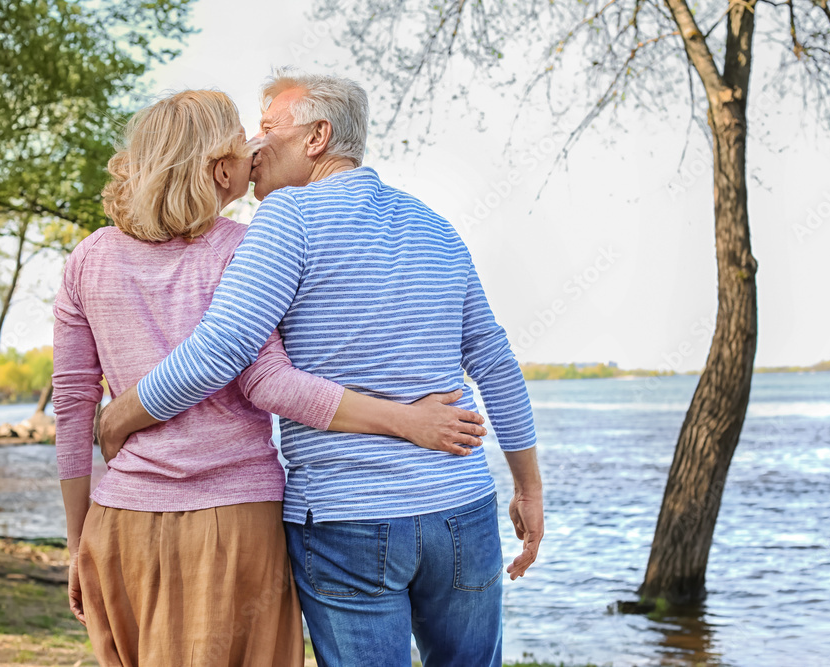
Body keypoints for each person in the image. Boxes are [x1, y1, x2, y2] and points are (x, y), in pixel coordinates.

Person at [100, 70, 545, 667]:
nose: (253, 149)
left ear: (317, 136)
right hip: (460, 512)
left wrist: (119, 417)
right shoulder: (435, 225)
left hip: (347, 522)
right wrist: (528, 487)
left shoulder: (285, 220)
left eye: (267, 129)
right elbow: (492, 358)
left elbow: (222, 350)